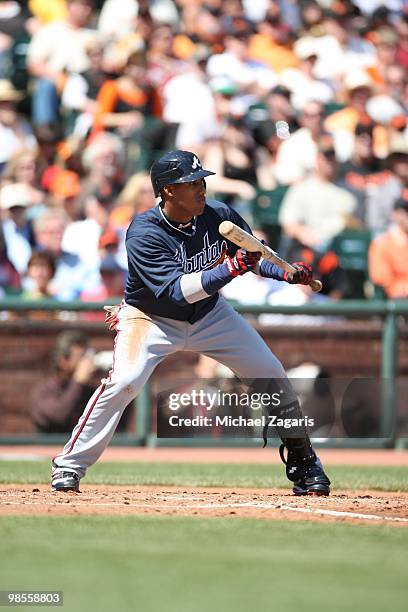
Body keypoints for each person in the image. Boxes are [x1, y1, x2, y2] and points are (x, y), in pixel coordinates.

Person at [51, 149, 330, 496]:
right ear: (168, 190)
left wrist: (287, 275)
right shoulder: (144, 231)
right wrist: (232, 268)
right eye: (191, 183)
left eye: (201, 181)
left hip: (210, 314)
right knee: (125, 381)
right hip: (151, 318)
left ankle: (305, 463)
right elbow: (177, 292)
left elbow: (255, 258)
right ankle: (69, 466)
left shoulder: (217, 214)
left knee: (272, 374)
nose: (201, 189)